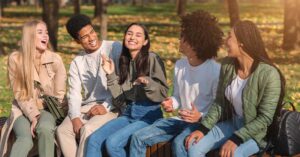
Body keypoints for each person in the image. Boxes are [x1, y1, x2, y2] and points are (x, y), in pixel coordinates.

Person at [176, 20, 285, 157]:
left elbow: (265, 118)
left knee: (232, 154)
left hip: (257, 133)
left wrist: (237, 138)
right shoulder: (228, 65)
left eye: (229, 36)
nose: (225, 41)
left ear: (241, 42)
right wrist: (203, 129)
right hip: (233, 123)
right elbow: (220, 102)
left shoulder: (268, 74)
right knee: (193, 147)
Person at [129, 10, 223, 157]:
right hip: (179, 120)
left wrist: (200, 116)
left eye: (182, 37)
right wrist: (171, 103)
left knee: (180, 143)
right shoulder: (180, 65)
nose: (179, 40)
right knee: (138, 138)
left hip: (202, 124)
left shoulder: (215, 70)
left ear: (194, 43)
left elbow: (219, 108)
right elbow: (178, 97)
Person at [85, 23, 168, 157]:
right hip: (128, 113)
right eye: (129, 33)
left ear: (145, 41)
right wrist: (110, 74)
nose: (132, 37)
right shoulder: (124, 61)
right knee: (94, 140)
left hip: (148, 116)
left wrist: (148, 83)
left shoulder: (152, 58)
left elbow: (163, 93)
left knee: (113, 143)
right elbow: (120, 100)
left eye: (138, 35)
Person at [56, 14, 122, 157]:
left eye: (92, 31)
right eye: (84, 37)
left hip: (112, 106)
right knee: (62, 131)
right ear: (76, 41)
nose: (91, 38)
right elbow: (73, 93)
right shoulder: (77, 62)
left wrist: (105, 106)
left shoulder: (114, 48)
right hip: (87, 107)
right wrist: (74, 118)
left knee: (88, 129)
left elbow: (122, 83)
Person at [0, 20, 67, 157]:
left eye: (47, 32)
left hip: (47, 108)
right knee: (25, 139)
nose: (45, 36)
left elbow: (59, 94)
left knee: (45, 128)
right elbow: (20, 94)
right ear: (29, 36)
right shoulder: (16, 59)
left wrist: (45, 113)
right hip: (21, 108)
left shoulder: (55, 59)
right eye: (40, 32)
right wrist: (34, 116)